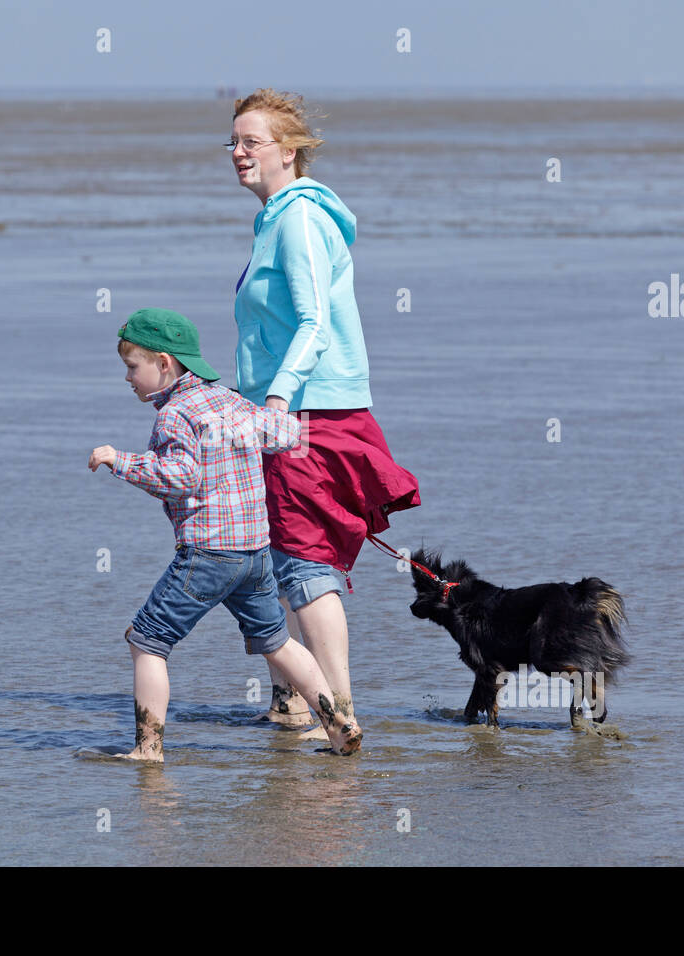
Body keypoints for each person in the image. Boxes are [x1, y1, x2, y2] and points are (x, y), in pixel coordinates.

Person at [88, 307, 363, 762]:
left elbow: (181, 477)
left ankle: (148, 749)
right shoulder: (233, 402)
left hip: (208, 555)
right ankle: (339, 725)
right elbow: (287, 432)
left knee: (146, 640)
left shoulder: (175, 415)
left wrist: (120, 460)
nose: (127, 378)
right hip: (256, 554)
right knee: (277, 642)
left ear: (164, 363)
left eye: (132, 366)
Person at [228, 89, 421, 734]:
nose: (237, 153)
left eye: (251, 142)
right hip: (292, 409)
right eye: (232, 142)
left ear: (289, 151)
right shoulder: (274, 219)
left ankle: (335, 708)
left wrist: (278, 398)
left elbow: (313, 323)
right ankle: (292, 699)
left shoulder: (301, 219)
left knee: (308, 557)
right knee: (287, 548)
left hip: (311, 412)